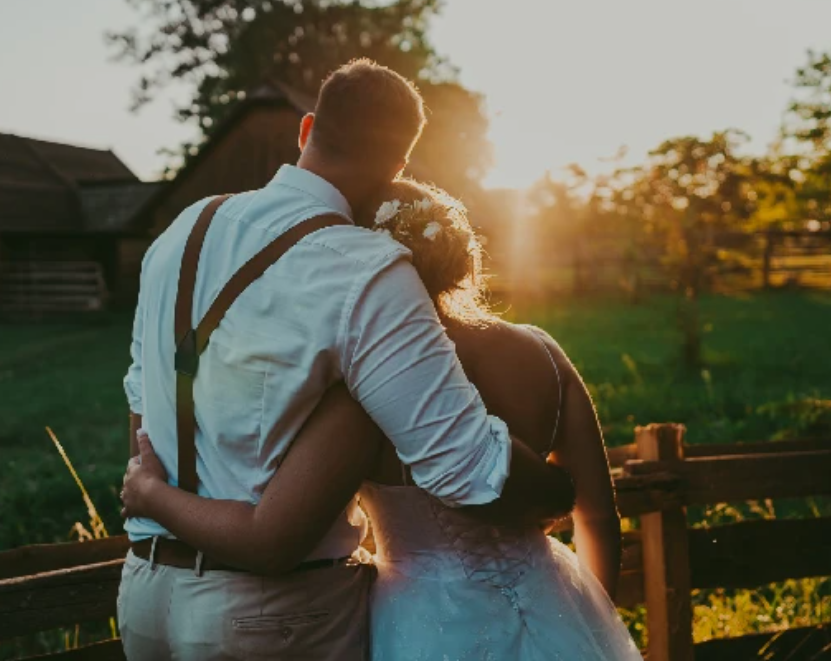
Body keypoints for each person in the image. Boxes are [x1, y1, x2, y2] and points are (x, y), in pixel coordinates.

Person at [118, 59, 576, 661]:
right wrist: (558, 491)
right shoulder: (367, 268)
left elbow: (141, 397)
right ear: (398, 168)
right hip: (273, 614)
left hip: (146, 594)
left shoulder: (183, 229)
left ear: (306, 131)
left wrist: (151, 495)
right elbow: (463, 465)